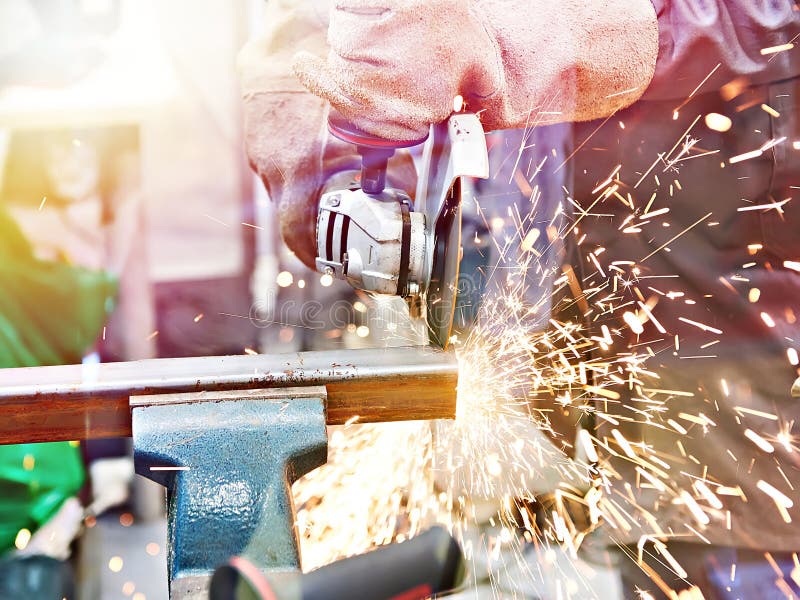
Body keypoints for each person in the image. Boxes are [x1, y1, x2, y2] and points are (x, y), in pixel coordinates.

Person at [239, 2, 800, 597]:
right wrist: (333, 144)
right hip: (561, 299)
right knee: (645, 550)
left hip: (725, 302)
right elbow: (308, 22)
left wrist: (529, 41)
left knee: (728, 540)